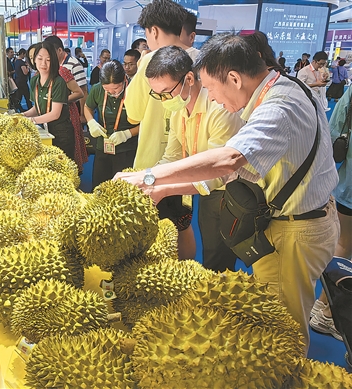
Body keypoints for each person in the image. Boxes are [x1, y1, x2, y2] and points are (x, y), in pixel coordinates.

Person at [115, 33, 339, 355]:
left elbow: (228, 159)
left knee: (281, 330)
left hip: (296, 229)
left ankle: (286, 375)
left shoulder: (280, 107)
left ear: (234, 78)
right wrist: (160, 188)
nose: (213, 98)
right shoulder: (285, 89)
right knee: (269, 317)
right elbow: (227, 175)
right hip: (290, 222)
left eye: (211, 88)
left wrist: (148, 175)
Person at [146, 45, 245, 271]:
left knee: (218, 260)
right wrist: (147, 177)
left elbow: (219, 172)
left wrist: (162, 188)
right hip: (203, 189)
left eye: (165, 92)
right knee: (207, 244)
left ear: (189, 78)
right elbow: (171, 156)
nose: (163, 100)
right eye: (157, 94)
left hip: (230, 193)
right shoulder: (177, 108)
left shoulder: (220, 108)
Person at [124, 0, 196, 259]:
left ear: (153, 31)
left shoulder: (149, 62)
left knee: (153, 233)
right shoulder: (196, 58)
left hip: (152, 162)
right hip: (192, 166)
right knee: (183, 225)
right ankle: (186, 276)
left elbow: (132, 114)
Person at [310, 86, 352, 341]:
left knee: (343, 244)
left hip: (347, 184)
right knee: (344, 245)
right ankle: (325, 310)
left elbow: (334, 130)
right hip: (348, 188)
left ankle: (324, 308)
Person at [84, 60, 139, 188]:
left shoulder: (134, 90)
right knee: (99, 186)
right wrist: (91, 122)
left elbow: (147, 122)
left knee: (123, 190)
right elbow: (87, 107)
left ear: (124, 80)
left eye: (115, 88)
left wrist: (127, 134)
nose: (112, 93)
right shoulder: (97, 89)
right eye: (107, 89)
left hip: (127, 149)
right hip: (102, 146)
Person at [23, 42, 75, 159]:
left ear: (54, 62)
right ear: (34, 60)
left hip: (61, 134)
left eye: (48, 60)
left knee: (63, 170)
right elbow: (37, 107)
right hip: (44, 131)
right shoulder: (34, 81)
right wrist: (23, 115)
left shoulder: (58, 82)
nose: (43, 63)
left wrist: (31, 120)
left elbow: (55, 114)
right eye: (40, 59)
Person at [44, 36, 88, 123]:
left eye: (50, 53)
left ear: (59, 50)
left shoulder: (74, 64)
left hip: (70, 111)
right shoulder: (52, 65)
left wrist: (83, 115)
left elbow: (83, 92)